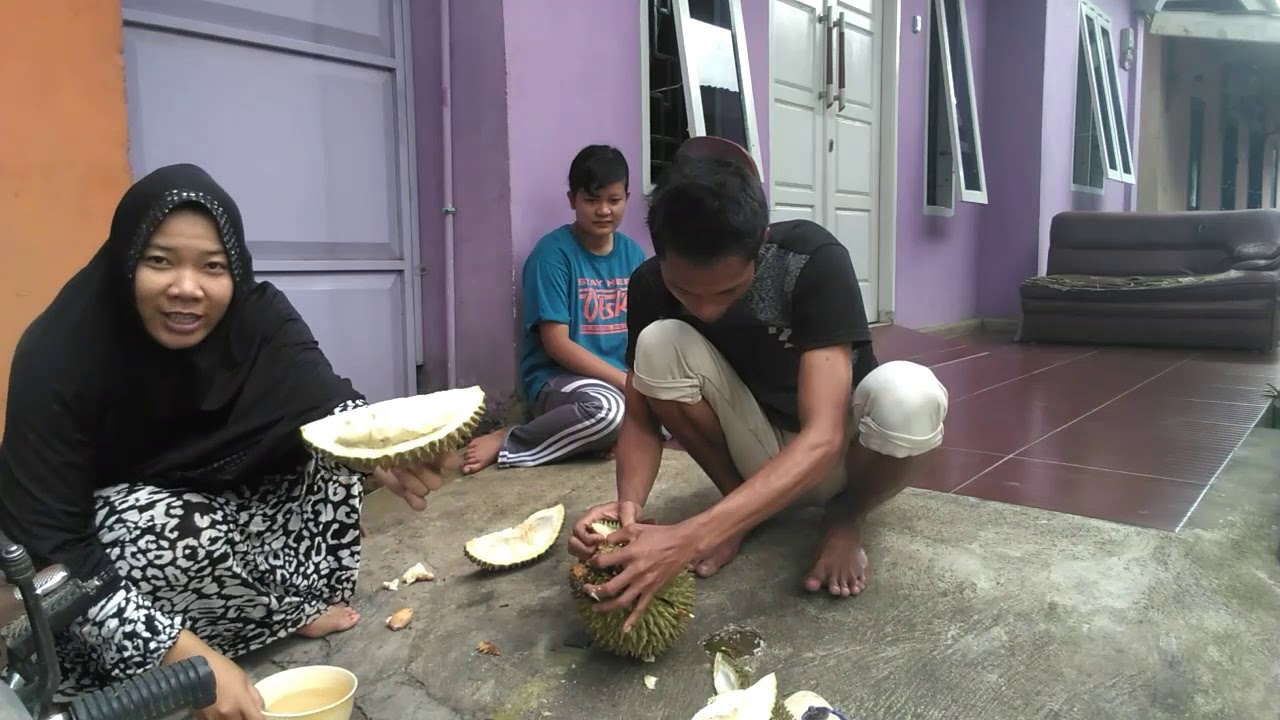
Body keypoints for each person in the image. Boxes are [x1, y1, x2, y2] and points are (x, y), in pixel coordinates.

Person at [0, 163, 445, 720]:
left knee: (330, 462)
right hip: (127, 546)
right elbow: (54, 547)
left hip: (234, 509)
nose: (187, 288)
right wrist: (184, 659)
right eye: (159, 261)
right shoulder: (58, 355)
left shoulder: (259, 317)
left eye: (212, 267)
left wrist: (386, 453)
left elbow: (332, 406)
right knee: (155, 528)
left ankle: (283, 610)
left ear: (235, 270)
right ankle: (187, 638)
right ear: (124, 260)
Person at [566, 139, 949, 628]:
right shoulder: (647, 285)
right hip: (754, 451)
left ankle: (845, 517)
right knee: (658, 343)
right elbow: (640, 419)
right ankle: (744, 512)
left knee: (908, 396)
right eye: (685, 291)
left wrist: (693, 534)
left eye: (728, 289)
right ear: (659, 251)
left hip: (839, 454)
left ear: (761, 240)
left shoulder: (811, 259)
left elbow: (824, 438)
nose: (706, 308)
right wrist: (629, 511)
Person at [461, 145, 648, 473]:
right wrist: (624, 383)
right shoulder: (552, 255)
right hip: (559, 381)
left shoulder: (634, 256)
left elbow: (645, 335)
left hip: (619, 380)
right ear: (571, 200)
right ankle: (511, 438)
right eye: (592, 200)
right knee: (607, 411)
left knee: (679, 402)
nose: (603, 210)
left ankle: (617, 433)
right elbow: (557, 344)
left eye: (613, 200)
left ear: (627, 198)